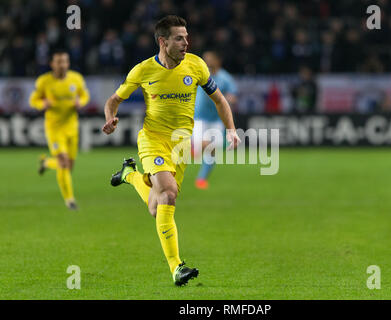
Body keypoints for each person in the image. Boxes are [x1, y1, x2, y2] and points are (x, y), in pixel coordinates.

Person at [102, 15, 240, 286]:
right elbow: (114, 100)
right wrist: (110, 118)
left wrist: (232, 129)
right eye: (179, 38)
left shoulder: (196, 65)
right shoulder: (143, 70)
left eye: (187, 37)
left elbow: (220, 99)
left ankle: (130, 175)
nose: (186, 42)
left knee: (157, 206)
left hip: (181, 144)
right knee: (169, 192)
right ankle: (177, 267)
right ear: (163, 42)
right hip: (153, 139)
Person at [29, 49, 90, 210]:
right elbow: (33, 100)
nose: (62, 65)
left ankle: (46, 162)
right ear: (52, 64)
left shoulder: (76, 79)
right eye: (58, 62)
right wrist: (42, 104)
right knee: (63, 163)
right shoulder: (44, 81)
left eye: (65, 61)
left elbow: (85, 95)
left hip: (72, 127)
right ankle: (70, 200)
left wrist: (81, 103)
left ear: (68, 63)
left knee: (69, 166)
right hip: (54, 128)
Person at [192, 50, 237, 189]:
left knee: (213, 150)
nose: (207, 62)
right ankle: (192, 147)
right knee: (203, 145)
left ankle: (201, 178)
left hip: (217, 118)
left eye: (210, 59)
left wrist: (228, 99)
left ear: (218, 60)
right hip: (199, 116)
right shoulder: (200, 74)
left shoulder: (225, 78)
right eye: (205, 59)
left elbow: (233, 96)